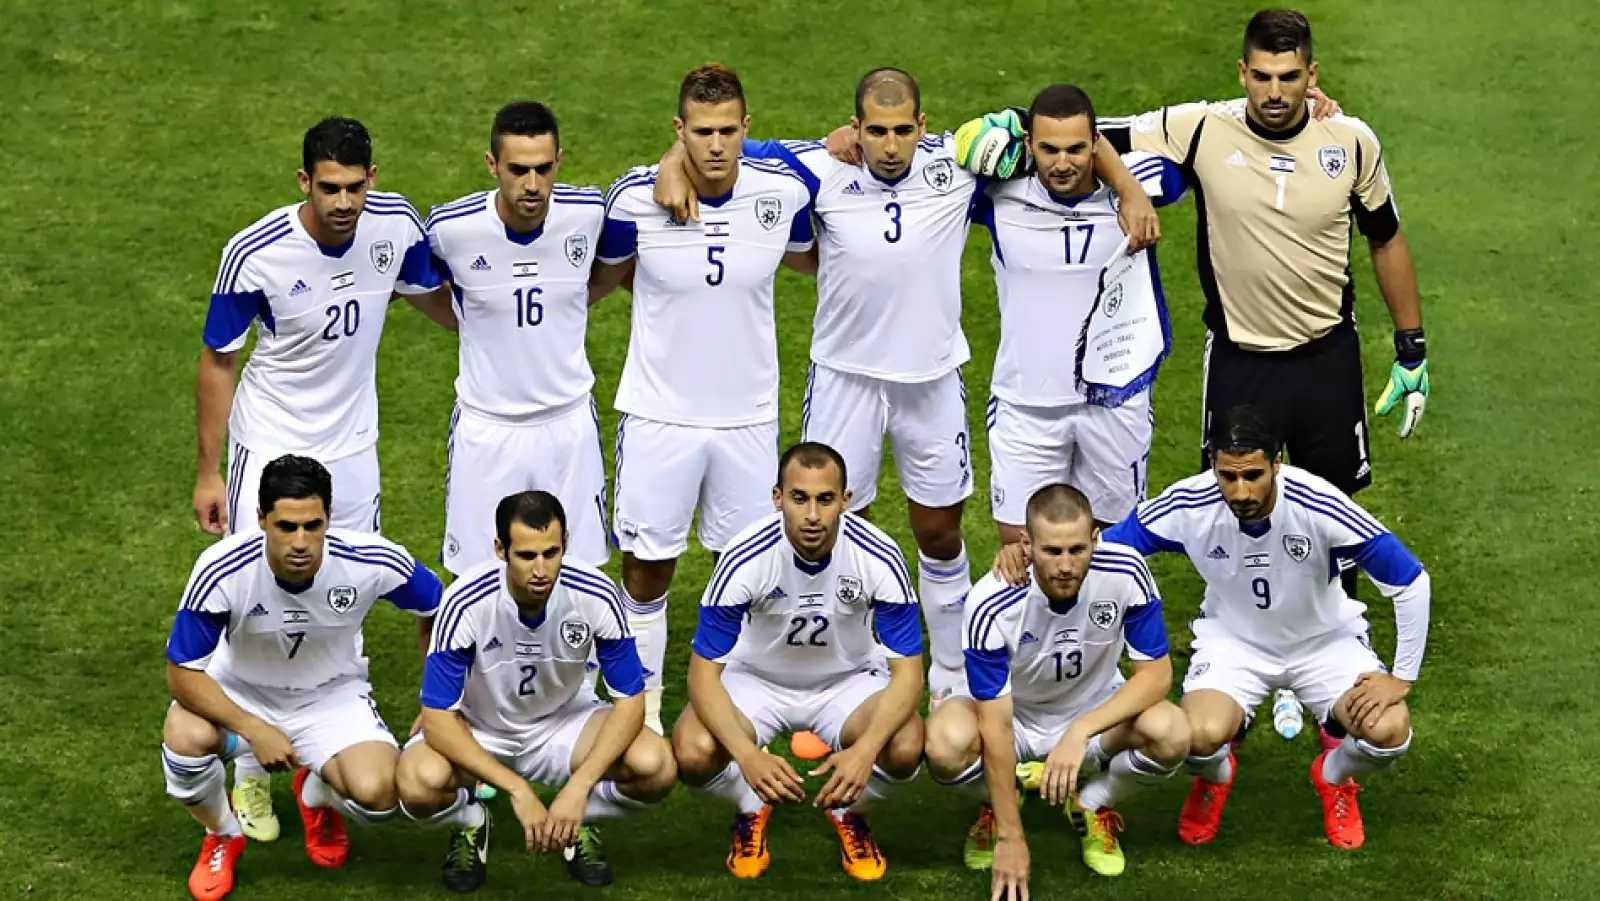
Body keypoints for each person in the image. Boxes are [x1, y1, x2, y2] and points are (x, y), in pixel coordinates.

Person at [655, 72, 1164, 745]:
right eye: (876, 131)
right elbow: (725, 147)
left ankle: (951, 677)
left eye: (902, 131)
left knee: (939, 530)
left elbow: (1051, 132)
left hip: (932, 379)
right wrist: (672, 162)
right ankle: (849, 671)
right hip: (845, 378)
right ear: (855, 128)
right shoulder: (821, 167)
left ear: (923, 126)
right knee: (835, 524)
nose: (890, 145)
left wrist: (1127, 186)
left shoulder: (960, 163)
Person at [189, 116, 452, 840]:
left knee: (347, 591)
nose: (343, 203)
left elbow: (436, 297)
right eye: (329, 188)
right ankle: (250, 767)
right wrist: (209, 471)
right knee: (254, 598)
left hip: (353, 450)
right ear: (304, 181)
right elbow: (219, 359)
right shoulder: (255, 253)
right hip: (270, 446)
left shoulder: (394, 226)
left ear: (373, 179)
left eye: (355, 187)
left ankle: (323, 765)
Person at [1096, 8, 1431, 534]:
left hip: (1326, 358)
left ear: (1312, 75)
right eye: (1262, 77)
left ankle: (1335, 593)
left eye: (1289, 77)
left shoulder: (1350, 141)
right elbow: (1092, 135)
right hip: (1240, 360)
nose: (1275, 92)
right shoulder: (1202, 128)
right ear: (1242, 72)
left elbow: (1385, 237)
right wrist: (1017, 125)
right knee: (1232, 514)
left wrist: (1411, 347)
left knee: (1335, 522)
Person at [589, 63, 816, 734]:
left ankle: (744, 707)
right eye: (700, 132)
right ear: (679, 129)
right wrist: (667, 169)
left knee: (747, 568)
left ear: (746, 128)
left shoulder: (783, 191)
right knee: (646, 569)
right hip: (660, 416)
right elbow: (604, 276)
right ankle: (643, 715)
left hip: (748, 418)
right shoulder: (633, 200)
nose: (715, 145)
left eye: (727, 131)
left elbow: (830, 182)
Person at [1103, 405, 1431, 849]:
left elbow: (1411, 581)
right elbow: (1106, 552)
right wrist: (1031, 562)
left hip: (1323, 643)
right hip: (1234, 645)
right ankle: (1215, 777)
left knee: (1389, 732)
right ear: (1213, 465)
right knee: (1196, 738)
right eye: (1227, 476)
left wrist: (1401, 678)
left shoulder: (1319, 503)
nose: (1240, 491)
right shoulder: (1189, 504)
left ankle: (1333, 776)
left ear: (1277, 464)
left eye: (1253, 475)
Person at [161, 455, 441, 901]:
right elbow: (182, 674)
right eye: (286, 527)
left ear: (329, 518)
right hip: (242, 696)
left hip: (331, 699)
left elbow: (439, 608)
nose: (301, 542)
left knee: (381, 795)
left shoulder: (371, 559)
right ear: (261, 520)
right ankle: (222, 834)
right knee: (183, 736)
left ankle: (316, 792)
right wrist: (254, 729)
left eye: (313, 526)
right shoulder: (222, 570)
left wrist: (437, 700)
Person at [672, 442, 925, 881]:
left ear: (845, 501)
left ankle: (849, 810)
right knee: (693, 751)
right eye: (799, 498)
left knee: (904, 746)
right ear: (777, 498)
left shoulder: (879, 556)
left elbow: (909, 673)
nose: (812, 515)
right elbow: (702, 675)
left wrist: (865, 751)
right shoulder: (743, 558)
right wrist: (747, 756)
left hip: (848, 681)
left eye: (825, 499)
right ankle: (751, 803)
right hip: (756, 680)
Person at [398, 491, 675, 891]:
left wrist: (579, 787)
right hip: (481, 727)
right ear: (500, 550)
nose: (541, 569)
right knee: (416, 784)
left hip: (565, 721)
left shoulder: (595, 594)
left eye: (551, 552)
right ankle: (471, 820)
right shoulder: (466, 601)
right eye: (527, 556)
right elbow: (438, 720)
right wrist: (517, 790)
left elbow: (630, 702)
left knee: (656, 767)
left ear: (566, 545)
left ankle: (576, 820)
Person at [926, 484, 1187, 891]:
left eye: (1077, 550)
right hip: (1017, 717)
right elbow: (996, 724)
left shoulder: (1127, 571)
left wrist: (1081, 731)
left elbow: (1156, 676)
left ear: (1095, 539)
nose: (1065, 565)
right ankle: (1000, 803)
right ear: (1026, 544)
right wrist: (1012, 838)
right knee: (944, 744)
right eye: (1052, 551)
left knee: (1173, 733)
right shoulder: (990, 602)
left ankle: (1090, 803)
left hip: (1095, 711)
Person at [967, 83, 1187, 558]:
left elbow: (1189, 161)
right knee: (1021, 550)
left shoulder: (1142, 183)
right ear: (1029, 144)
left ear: (1096, 145)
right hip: (1026, 404)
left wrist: (1127, 186)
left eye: (1075, 149)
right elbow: (938, 158)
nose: (1062, 163)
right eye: (1048, 149)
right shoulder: (996, 195)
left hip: (1116, 400)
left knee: (1118, 547)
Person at [426, 101, 610, 574]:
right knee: (475, 576)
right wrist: (473, 319)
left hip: (568, 425)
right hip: (488, 429)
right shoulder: (451, 229)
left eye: (543, 169)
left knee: (581, 573)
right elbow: (411, 285)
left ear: (559, 161)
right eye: (518, 170)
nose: (532, 184)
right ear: (493, 165)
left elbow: (615, 266)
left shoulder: (589, 214)